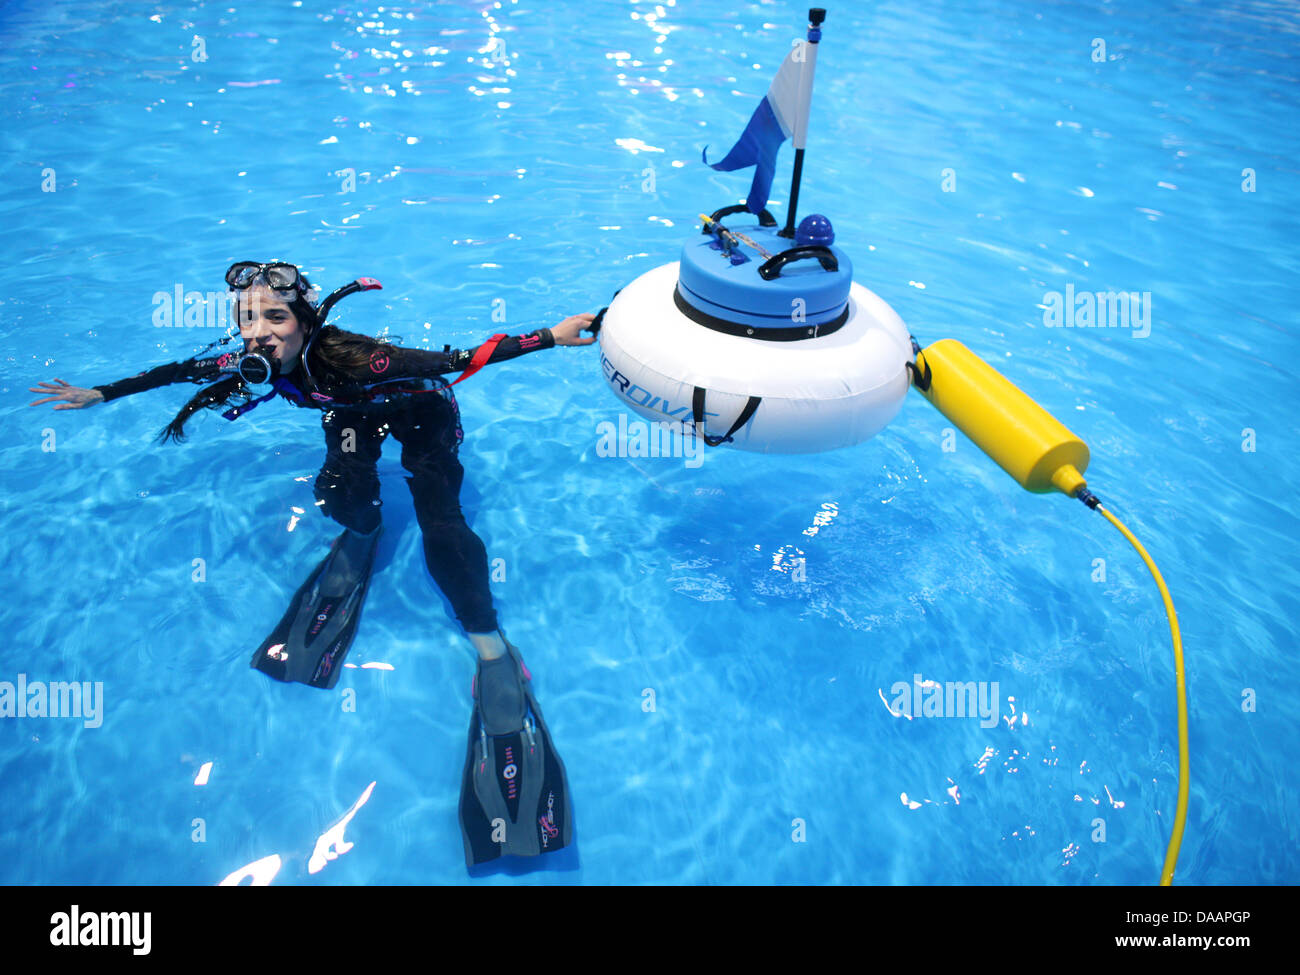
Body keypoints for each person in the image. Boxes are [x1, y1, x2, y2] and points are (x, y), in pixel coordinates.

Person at [29, 261, 587, 865]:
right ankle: (366, 530)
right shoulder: (250, 362)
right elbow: (179, 371)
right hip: (353, 415)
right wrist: (102, 393)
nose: (258, 332)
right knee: (342, 490)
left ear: (305, 322)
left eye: (275, 317)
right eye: (248, 319)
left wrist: (550, 337)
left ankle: (489, 647)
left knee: (441, 522)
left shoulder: (354, 359)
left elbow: (455, 361)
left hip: (421, 412)